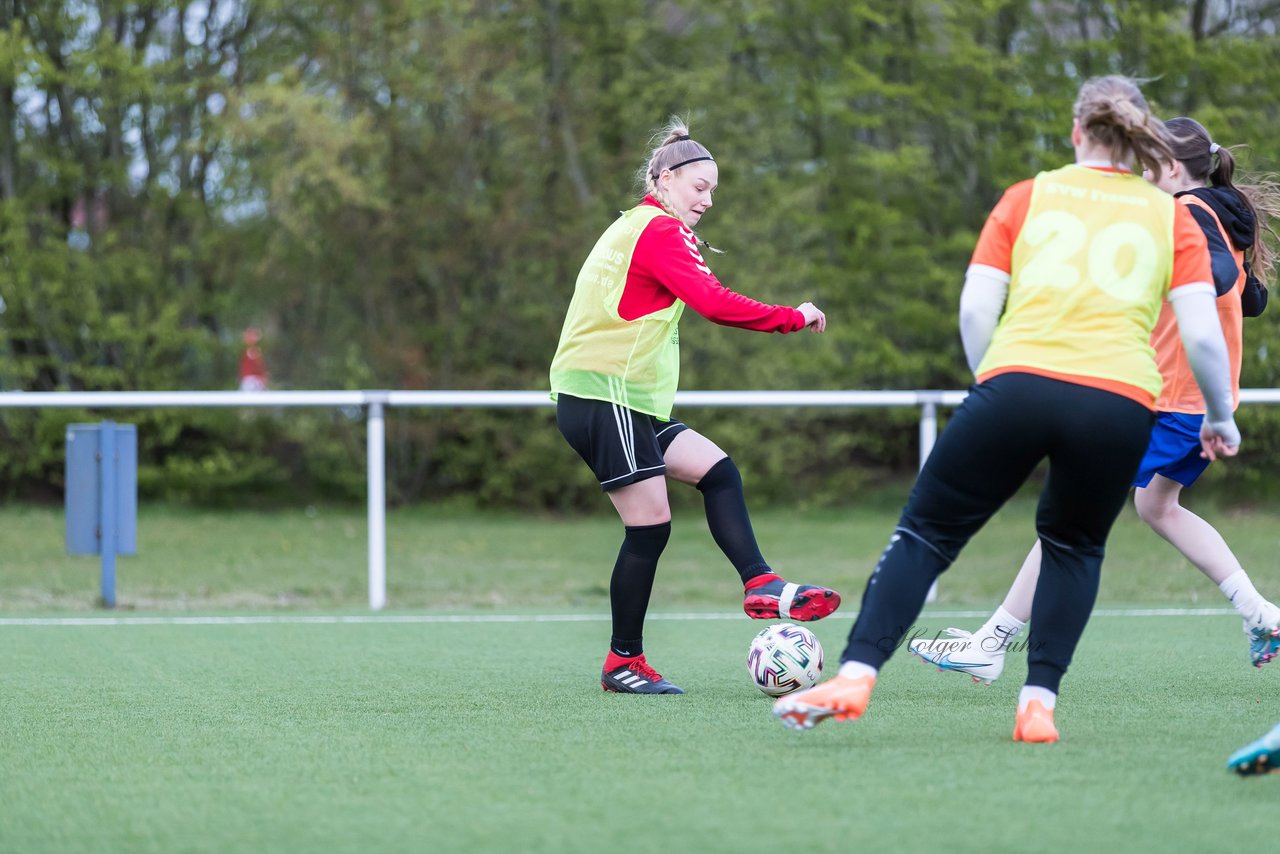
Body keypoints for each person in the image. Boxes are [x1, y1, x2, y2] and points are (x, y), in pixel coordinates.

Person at [772, 76, 1240, 742]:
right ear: (1142, 139)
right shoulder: (1170, 215)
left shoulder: (1029, 195)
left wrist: (990, 379)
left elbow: (973, 308)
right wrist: (1220, 418)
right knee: (1073, 548)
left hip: (1016, 381)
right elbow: (1200, 334)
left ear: (1076, 131)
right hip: (1118, 399)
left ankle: (855, 675)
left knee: (926, 535)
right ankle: (1037, 705)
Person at [910, 116, 1280, 684]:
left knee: (1068, 513)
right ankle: (1261, 613)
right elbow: (1249, 298)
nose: (1137, 176)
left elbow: (1220, 277)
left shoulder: (1182, 214)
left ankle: (992, 641)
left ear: (1172, 169)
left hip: (1171, 400)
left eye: (1146, 166)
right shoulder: (1217, 212)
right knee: (1157, 508)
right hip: (1199, 401)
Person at [549, 119, 839, 695]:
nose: (707, 200)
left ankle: (760, 582)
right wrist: (793, 316)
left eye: (712, 191)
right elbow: (712, 301)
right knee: (650, 527)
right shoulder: (659, 230)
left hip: (617, 400)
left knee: (717, 471)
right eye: (699, 187)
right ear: (664, 178)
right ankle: (623, 663)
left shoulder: (638, 224)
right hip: (607, 397)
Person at [238, 327, 269, 391]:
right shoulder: (248, 350)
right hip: (249, 382)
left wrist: (263, 378)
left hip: (253, 382)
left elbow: (259, 368)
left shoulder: (254, 350)